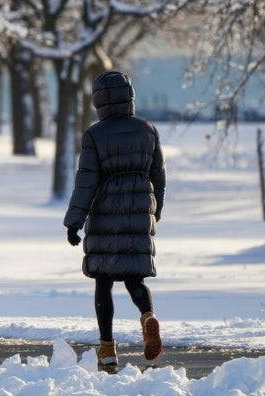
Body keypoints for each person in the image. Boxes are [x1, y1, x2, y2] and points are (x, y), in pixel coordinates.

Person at [63, 70, 166, 370]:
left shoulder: (94, 135)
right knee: (135, 276)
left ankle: (107, 349)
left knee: (103, 281)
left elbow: (87, 181)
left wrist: (74, 222)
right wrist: (153, 211)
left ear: (98, 101)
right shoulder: (147, 130)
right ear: (129, 96)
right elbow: (158, 175)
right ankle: (148, 315)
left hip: (105, 213)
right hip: (138, 210)